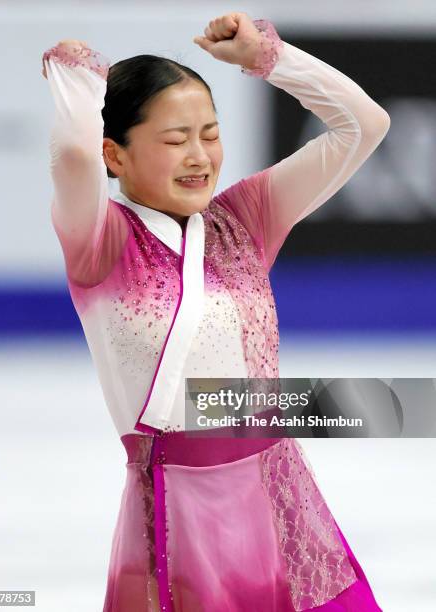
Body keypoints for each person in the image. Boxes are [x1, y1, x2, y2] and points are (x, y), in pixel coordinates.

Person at [42, 12, 389, 612]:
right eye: (176, 140)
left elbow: (363, 126)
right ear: (115, 156)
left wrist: (270, 59)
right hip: (179, 511)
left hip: (280, 496)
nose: (200, 155)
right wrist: (77, 76)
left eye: (211, 133)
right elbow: (73, 157)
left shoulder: (243, 221)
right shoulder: (101, 242)